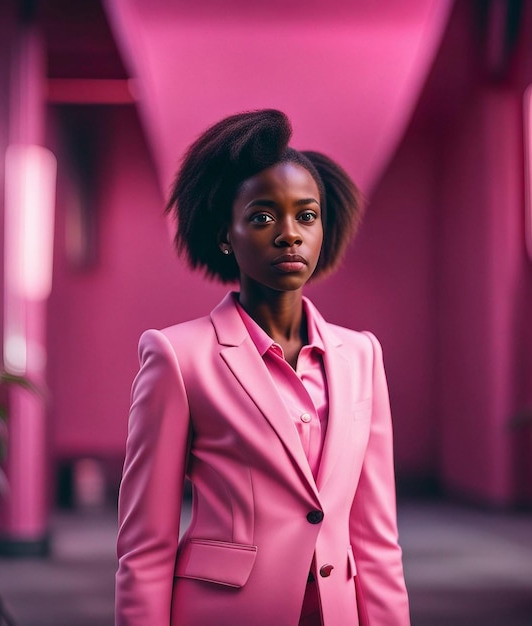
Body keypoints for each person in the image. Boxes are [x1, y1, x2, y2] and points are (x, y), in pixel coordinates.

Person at [115, 109, 410, 626]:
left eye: (307, 216)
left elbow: (377, 538)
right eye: (263, 216)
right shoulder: (177, 357)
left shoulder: (362, 356)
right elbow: (145, 547)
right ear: (226, 234)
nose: (289, 234)